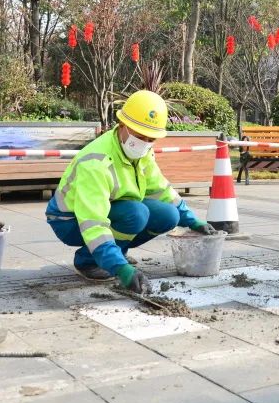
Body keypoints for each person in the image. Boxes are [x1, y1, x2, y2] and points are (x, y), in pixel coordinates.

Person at [45, 90, 215, 293]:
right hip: (69, 220)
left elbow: (161, 189)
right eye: (139, 135)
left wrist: (193, 221)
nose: (144, 143)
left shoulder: (142, 153)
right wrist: (121, 269)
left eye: (150, 138)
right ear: (122, 125)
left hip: (116, 209)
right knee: (136, 213)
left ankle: (117, 253)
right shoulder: (95, 162)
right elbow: (93, 222)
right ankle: (88, 261)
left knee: (169, 215)